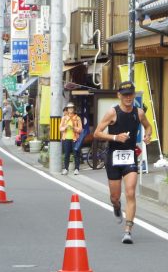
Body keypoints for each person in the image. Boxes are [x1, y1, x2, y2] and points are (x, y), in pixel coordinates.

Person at [93, 81, 152, 244]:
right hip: (113, 156)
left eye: (130, 94)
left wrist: (147, 136)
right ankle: (117, 206)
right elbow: (97, 133)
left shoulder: (138, 112)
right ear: (119, 95)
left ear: (133, 95)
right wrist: (114, 137)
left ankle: (128, 230)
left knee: (131, 192)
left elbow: (148, 126)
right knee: (115, 196)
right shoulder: (112, 112)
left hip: (130, 155)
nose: (128, 97)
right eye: (124, 94)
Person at [60, 102, 83, 175]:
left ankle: (76, 169)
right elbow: (60, 128)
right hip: (66, 138)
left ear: (74, 109)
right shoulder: (64, 118)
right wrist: (65, 127)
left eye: (71, 108)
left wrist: (73, 128)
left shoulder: (77, 118)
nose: (70, 109)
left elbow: (80, 129)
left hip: (75, 138)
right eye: (69, 108)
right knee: (66, 154)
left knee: (76, 154)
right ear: (67, 109)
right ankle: (66, 169)